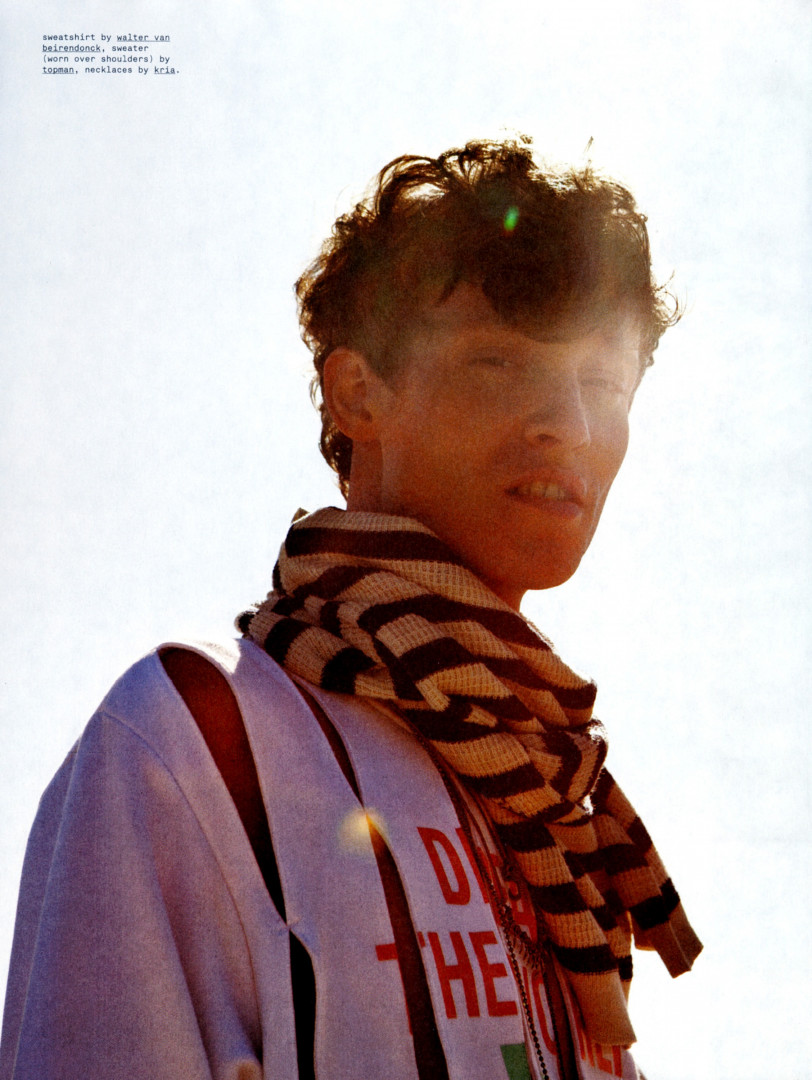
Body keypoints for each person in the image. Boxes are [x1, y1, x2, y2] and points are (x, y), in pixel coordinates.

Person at [0, 137, 701, 1080]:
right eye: (501, 363)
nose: (569, 426)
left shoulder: (557, 806)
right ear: (357, 394)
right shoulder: (193, 738)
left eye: (603, 383)